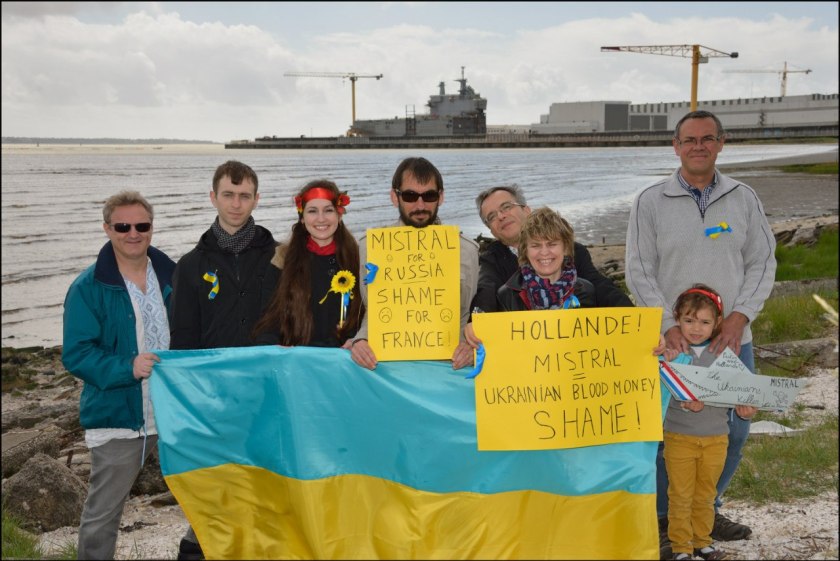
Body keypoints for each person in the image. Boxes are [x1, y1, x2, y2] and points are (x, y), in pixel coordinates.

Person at [626, 110, 776, 557]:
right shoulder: (650, 200)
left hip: (731, 342)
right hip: (672, 346)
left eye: (707, 138)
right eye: (689, 139)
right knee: (667, 435)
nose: (698, 146)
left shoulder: (743, 197)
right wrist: (667, 325)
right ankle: (664, 519)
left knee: (734, 431)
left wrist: (740, 316)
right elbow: (638, 270)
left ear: (721, 143)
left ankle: (706, 509)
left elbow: (762, 263)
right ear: (675, 145)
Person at [169, 160, 279, 559]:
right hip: (214, 397)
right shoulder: (191, 265)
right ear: (213, 197)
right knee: (216, 486)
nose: (236, 204)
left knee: (265, 483)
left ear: (256, 199)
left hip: (268, 391)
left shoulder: (280, 257)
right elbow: (182, 338)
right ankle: (197, 550)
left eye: (244, 196)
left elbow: (293, 322)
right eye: (228, 195)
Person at [62, 191, 175, 560]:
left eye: (142, 225)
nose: (133, 233)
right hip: (118, 416)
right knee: (102, 515)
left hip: (175, 412)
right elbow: (77, 354)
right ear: (107, 228)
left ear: (151, 229)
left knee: (207, 493)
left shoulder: (174, 274)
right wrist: (127, 367)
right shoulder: (87, 287)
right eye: (123, 226)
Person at [349, 156, 479, 370]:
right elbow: (372, 309)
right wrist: (361, 340)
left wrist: (468, 345)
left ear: (441, 197)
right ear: (394, 197)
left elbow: (466, 312)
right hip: (390, 366)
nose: (420, 205)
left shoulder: (467, 250)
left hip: (447, 367)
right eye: (410, 196)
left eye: (429, 195)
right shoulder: (369, 247)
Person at [465, 184, 631, 344]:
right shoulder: (490, 260)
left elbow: (602, 287)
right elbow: (485, 289)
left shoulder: (573, 252)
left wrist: (637, 321)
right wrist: (476, 322)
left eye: (506, 207)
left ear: (526, 210)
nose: (501, 216)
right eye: (492, 217)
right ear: (491, 230)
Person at [661, 285, 730, 561]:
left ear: (717, 323)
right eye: (689, 321)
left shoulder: (725, 355)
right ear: (677, 319)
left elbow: (735, 394)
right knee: (680, 495)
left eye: (704, 322)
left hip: (716, 438)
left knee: (706, 495)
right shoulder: (671, 353)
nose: (696, 328)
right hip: (679, 437)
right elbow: (662, 392)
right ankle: (680, 547)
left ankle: (703, 541)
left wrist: (746, 409)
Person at [253, 179, 364, 346]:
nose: (321, 219)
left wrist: (358, 341)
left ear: (339, 215)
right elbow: (268, 322)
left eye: (328, 210)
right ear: (302, 218)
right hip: (298, 361)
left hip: (343, 361)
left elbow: (369, 315)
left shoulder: (358, 258)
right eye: (312, 211)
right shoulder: (282, 259)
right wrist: (275, 349)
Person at [496, 206, 596, 311]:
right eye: (536, 245)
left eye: (552, 244)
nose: (544, 252)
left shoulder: (586, 290)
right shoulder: (506, 295)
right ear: (526, 250)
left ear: (565, 248)